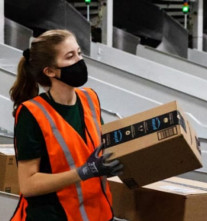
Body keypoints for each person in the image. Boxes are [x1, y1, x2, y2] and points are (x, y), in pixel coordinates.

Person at [9, 29, 124, 221]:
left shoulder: (90, 99)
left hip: (98, 214)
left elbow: (95, 154)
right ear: (50, 71)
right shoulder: (32, 114)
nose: (79, 61)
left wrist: (109, 165)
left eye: (79, 53)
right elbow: (28, 185)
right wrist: (84, 172)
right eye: (70, 57)